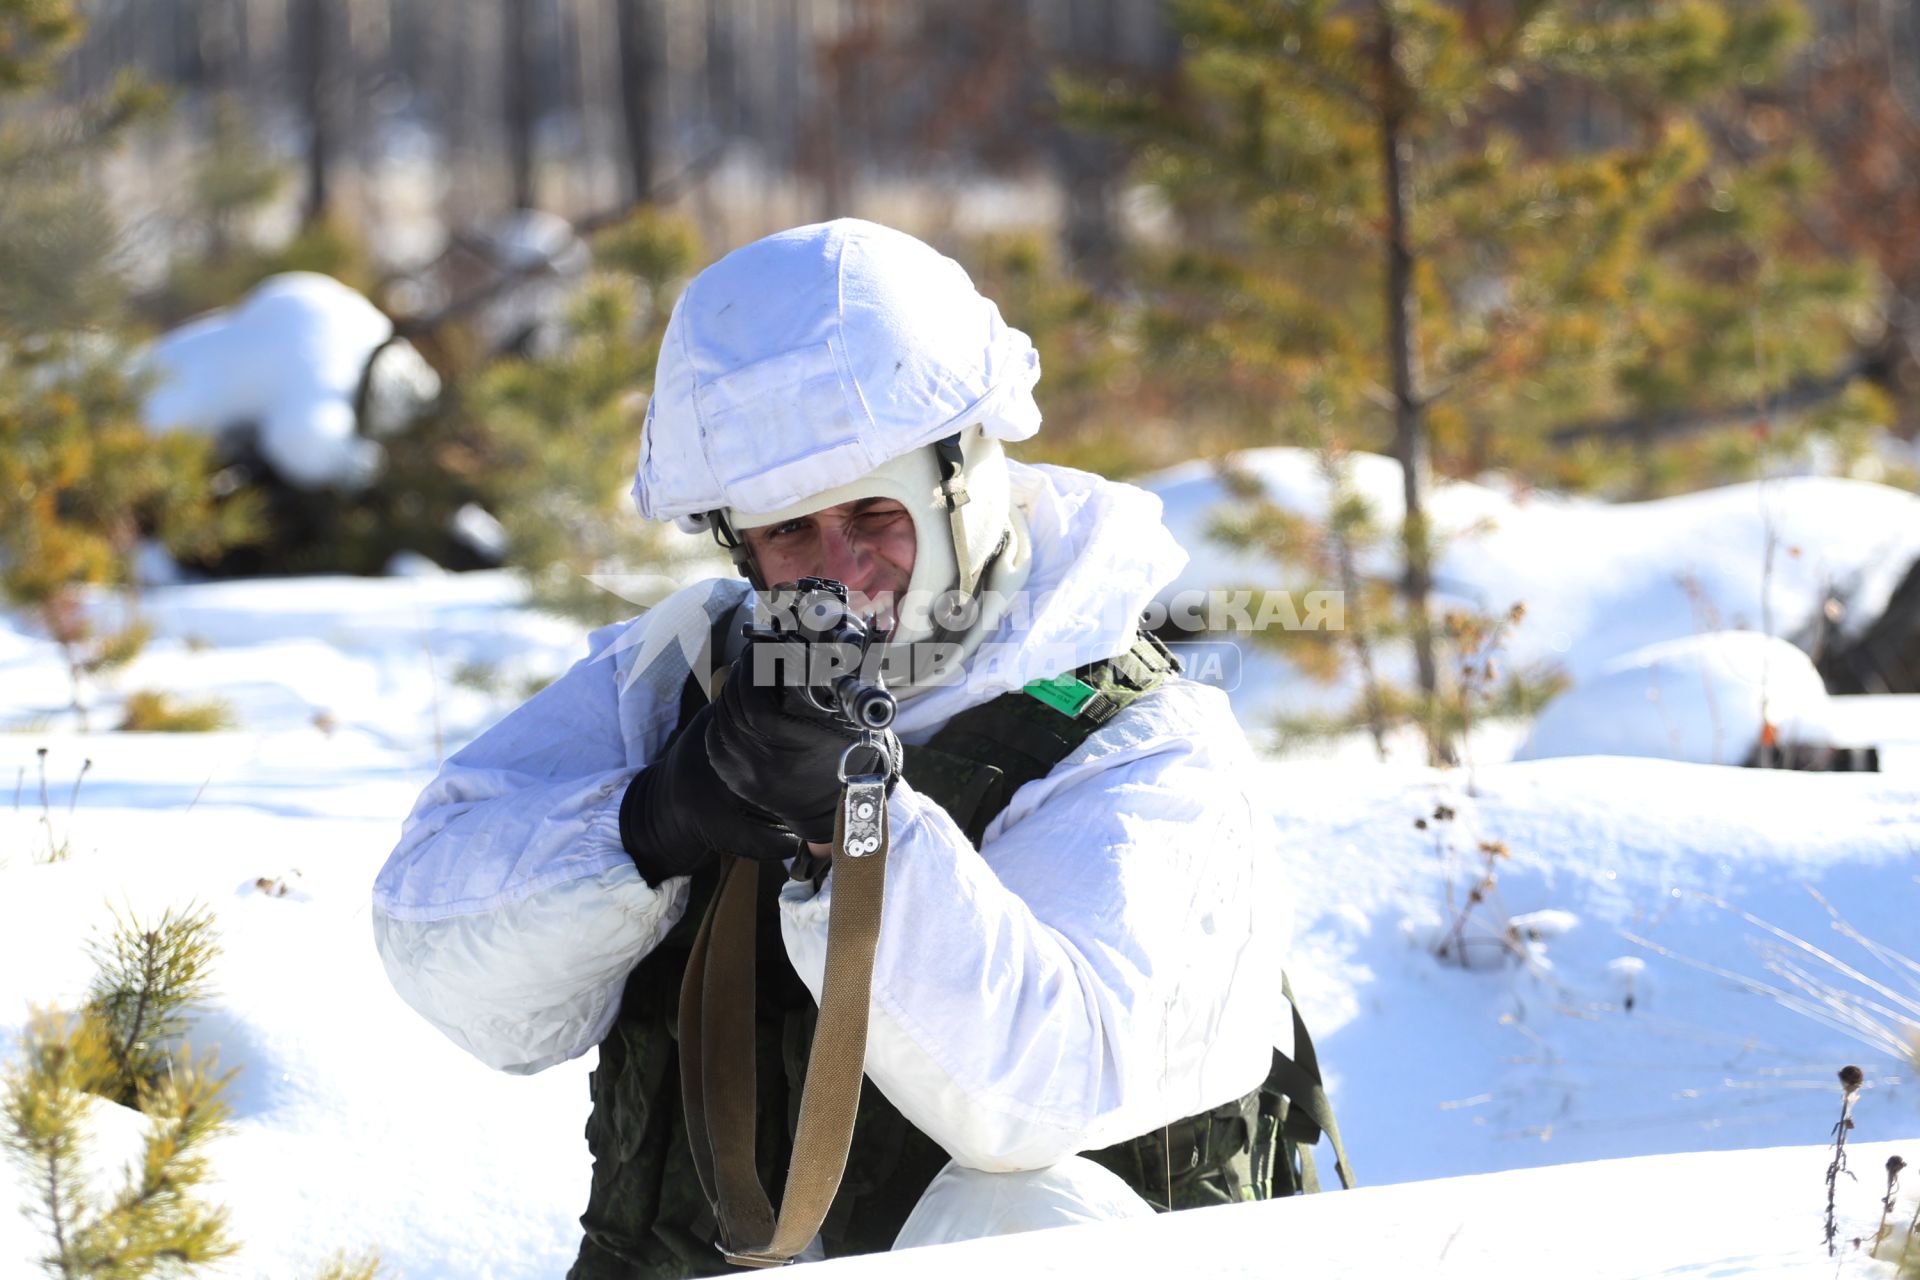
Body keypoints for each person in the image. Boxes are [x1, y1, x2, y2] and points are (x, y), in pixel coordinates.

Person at [372, 219, 1304, 1276]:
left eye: (874, 512)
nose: (843, 570)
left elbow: (1039, 1092)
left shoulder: (1139, 740)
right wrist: (648, 822)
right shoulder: (691, 674)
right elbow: (443, 958)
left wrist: (852, 821)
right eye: (789, 533)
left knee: (1022, 1212)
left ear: (966, 480)